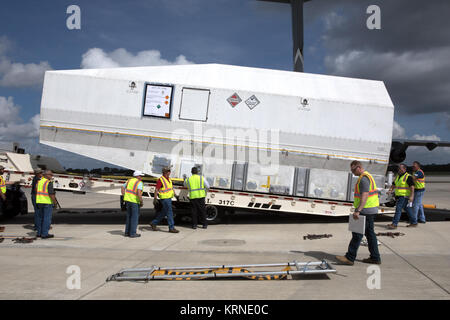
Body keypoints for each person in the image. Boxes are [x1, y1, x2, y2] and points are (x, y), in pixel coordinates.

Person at [336, 161, 381, 265]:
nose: (352, 172)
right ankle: (375, 257)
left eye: (353, 170)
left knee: (357, 234)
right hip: (370, 209)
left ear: (359, 167)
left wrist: (358, 210)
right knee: (370, 234)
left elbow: (364, 195)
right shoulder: (367, 176)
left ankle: (350, 258)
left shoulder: (364, 179)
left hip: (365, 210)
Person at [386, 163, 416, 229]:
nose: (399, 169)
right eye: (398, 168)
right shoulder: (398, 176)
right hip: (399, 196)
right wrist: (390, 190)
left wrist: (411, 196)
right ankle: (414, 222)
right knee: (407, 209)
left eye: (400, 168)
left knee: (398, 209)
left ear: (404, 169)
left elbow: (412, 187)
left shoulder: (408, 177)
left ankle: (394, 224)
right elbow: (394, 184)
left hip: (404, 196)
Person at [150, 167, 179, 233]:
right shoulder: (161, 180)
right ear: (164, 172)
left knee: (164, 212)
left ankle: (154, 223)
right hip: (164, 199)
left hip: (169, 198)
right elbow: (156, 189)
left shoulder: (169, 179)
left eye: (169, 171)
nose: (169, 172)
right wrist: (155, 198)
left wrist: (175, 195)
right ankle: (171, 228)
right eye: (168, 171)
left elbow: (171, 188)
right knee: (170, 213)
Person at [35, 170, 58, 239]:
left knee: (40, 218)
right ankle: (45, 234)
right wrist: (55, 202)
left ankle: (39, 233)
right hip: (47, 202)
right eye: (50, 174)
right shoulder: (49, 182)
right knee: (46, 218)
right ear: (45, 175)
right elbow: (51, 193)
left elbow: (36, 190)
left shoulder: (39, 181)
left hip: (39, 201)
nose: (51, 176)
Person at [121, 171, 144, 238]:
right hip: (134, 202)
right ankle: (133, 233)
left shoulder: (129, 181)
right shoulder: (139, 182)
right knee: (134, 218)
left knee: (129, 216)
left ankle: (127, 232)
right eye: (140, 176)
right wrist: (141, 202)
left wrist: (124, 196)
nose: (141, 177)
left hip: (128, 201)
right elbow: (139, 193)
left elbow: (122, 187)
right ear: (138, 176)